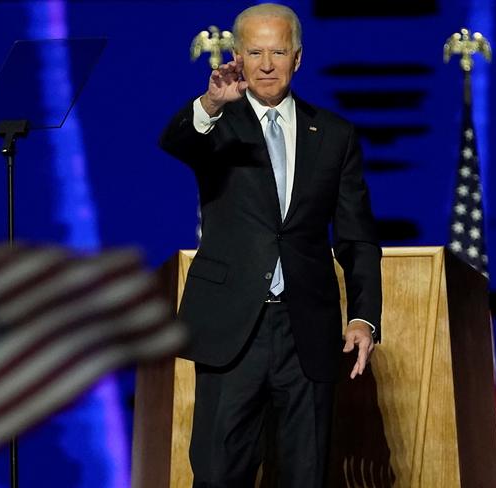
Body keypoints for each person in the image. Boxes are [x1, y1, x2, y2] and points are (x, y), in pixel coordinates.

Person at [160, 3, 382, 487]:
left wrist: (364, 315)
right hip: (232, 328)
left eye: (277, 51)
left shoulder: (336, 135)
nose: (266, 64)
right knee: (219, 474)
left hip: (306, 328)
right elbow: (177, 142)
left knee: (307, 473)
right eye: (255, 52)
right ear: (238, 57)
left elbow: (358, 235)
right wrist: (212, 104)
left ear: (297, 58)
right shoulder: (219, 124)